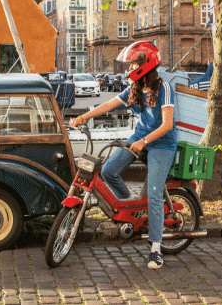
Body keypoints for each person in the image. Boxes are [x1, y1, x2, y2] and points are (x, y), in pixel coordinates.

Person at [68, 41, 177, 269]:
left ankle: (156, 249)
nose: (128, 69)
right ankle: (130, 207)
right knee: (108, 170)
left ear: (145, 64)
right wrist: (83, 117)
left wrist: (144, 141)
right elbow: (109, 104)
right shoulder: (135, 88)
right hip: (139, 139)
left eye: (132, 64)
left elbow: (167, 125)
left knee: (155, 194)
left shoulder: (164, 88)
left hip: (161, 144)